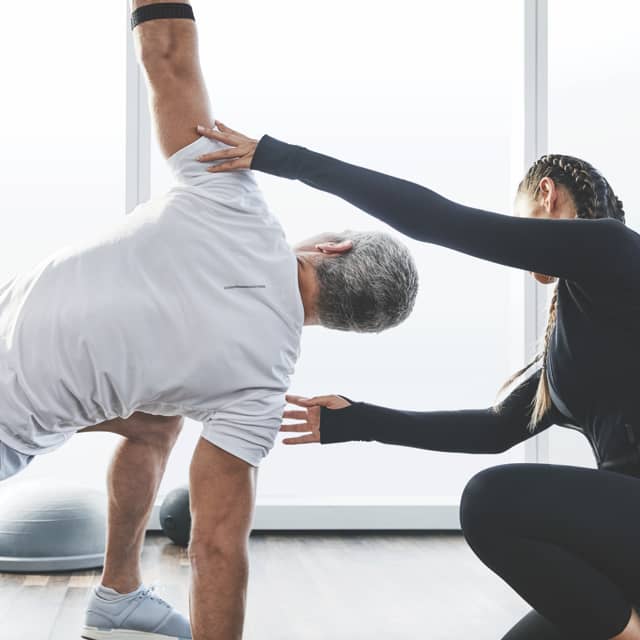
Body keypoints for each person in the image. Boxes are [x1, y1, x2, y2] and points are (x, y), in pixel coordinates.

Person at [0, 3, 418, 639]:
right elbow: (219, 550)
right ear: (343, 323)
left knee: (158, 420)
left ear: (331, 247)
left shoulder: (235, 201)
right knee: (161, 420)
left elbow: (166, 55)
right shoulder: (256, 391)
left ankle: (115, 602)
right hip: (12, 424)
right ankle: (118, 595)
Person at [195, 123, 640, 640]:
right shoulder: (569, 349)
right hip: (623, 537)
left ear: (546, 194)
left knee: (489, 501)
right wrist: (358, 420)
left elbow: (438, 220)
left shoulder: (611, 251)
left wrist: (282, 158)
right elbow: (491, 432)